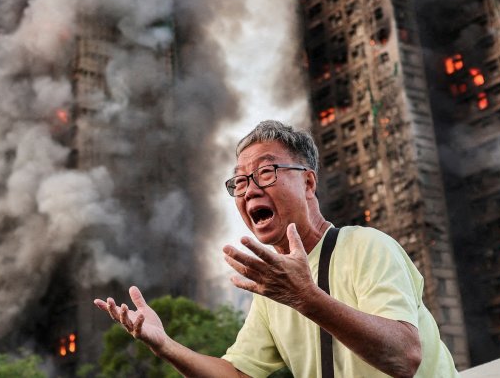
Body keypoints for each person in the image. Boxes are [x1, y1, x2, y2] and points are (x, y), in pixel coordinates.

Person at [94, 120, 459, 377]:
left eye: (266, 173)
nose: (249, 189)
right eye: (239, 181)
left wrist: (305, 297)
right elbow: (237, 374)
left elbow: (405, 356)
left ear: (308, 183)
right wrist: (164, 345)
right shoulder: (274, 291)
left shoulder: (366, 246)